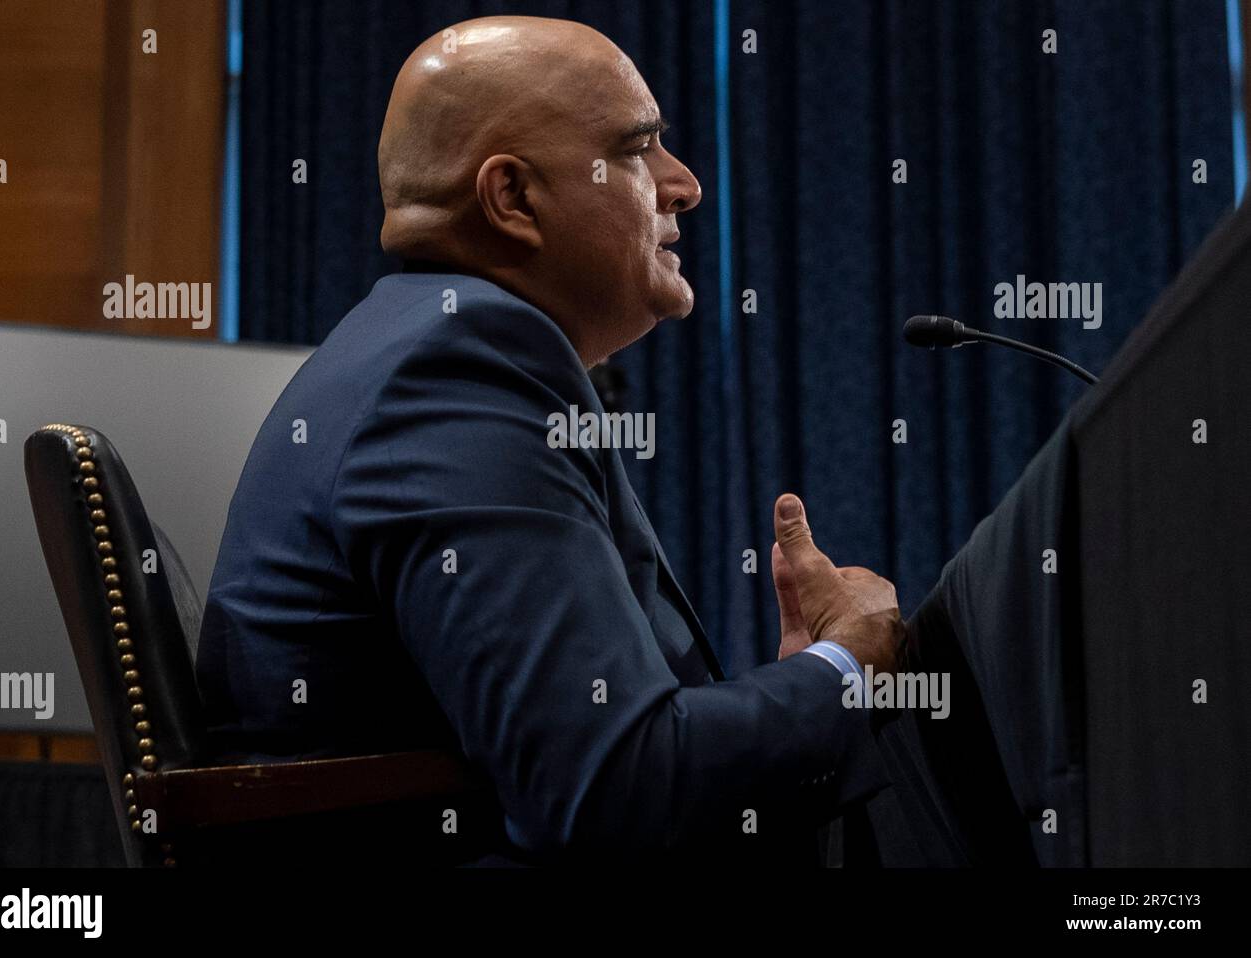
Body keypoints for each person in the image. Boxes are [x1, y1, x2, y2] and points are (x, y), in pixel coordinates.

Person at [196, 15, 904, 865]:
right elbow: (611, 793)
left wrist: (802, 682)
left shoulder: (431, 344)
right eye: (639, 150)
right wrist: (848, 667)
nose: (684, 186)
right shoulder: (459, 374)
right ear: (514, 199)